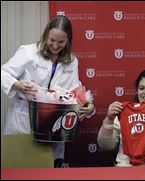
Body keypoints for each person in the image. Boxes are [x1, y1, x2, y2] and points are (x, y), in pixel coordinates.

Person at [1, 15, 95, 167]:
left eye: (61, 42)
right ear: (46, 35)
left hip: (54, 127)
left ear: (68, 40)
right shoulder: (28, 52)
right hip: (23, 121)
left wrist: (87, 105)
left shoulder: (71, 61)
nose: (55, 45)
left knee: (46, 169)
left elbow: (75, 92)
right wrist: (16, 84)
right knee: (19, 169)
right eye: (52, 40)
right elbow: (3, 73)